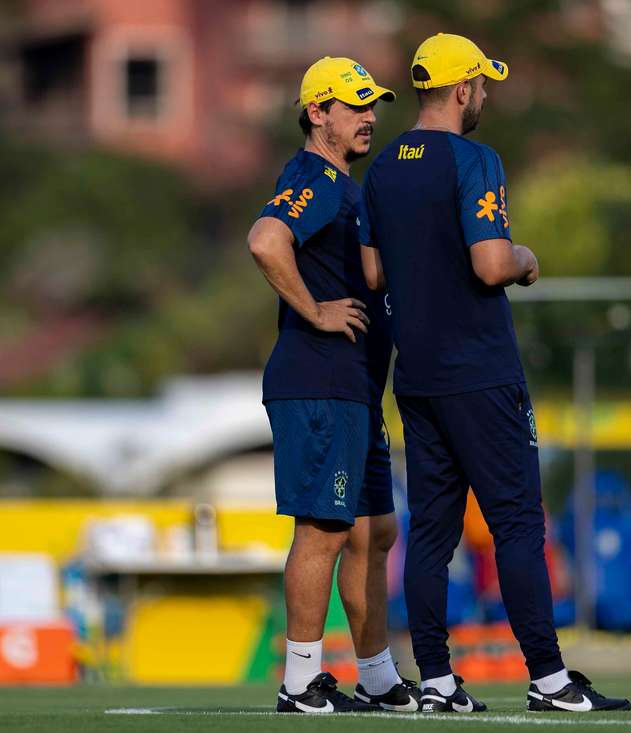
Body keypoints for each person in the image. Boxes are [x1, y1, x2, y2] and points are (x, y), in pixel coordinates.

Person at [359, 33, 631, 714]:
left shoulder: (385, 165)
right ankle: (548, 677)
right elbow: (490, 263)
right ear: (460, 90)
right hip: (479, 370)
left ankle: (439, 682)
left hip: (415, 375)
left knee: (432, 533)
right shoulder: (476, 159)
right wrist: (527, 257)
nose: (483, 96)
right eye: (481, 85)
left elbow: (370, 273)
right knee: (516, 524)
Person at [247, 56, 420, 714]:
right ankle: (301, 681)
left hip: (354, 388)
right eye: (354, 104)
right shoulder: (315, 177)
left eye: (372, 103)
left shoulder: (346, 186)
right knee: (322, 529)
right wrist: (316, 310)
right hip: (318, 382)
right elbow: (266, 240)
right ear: (317, 112)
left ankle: (375, 676)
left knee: (374, 531)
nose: (369, 115)